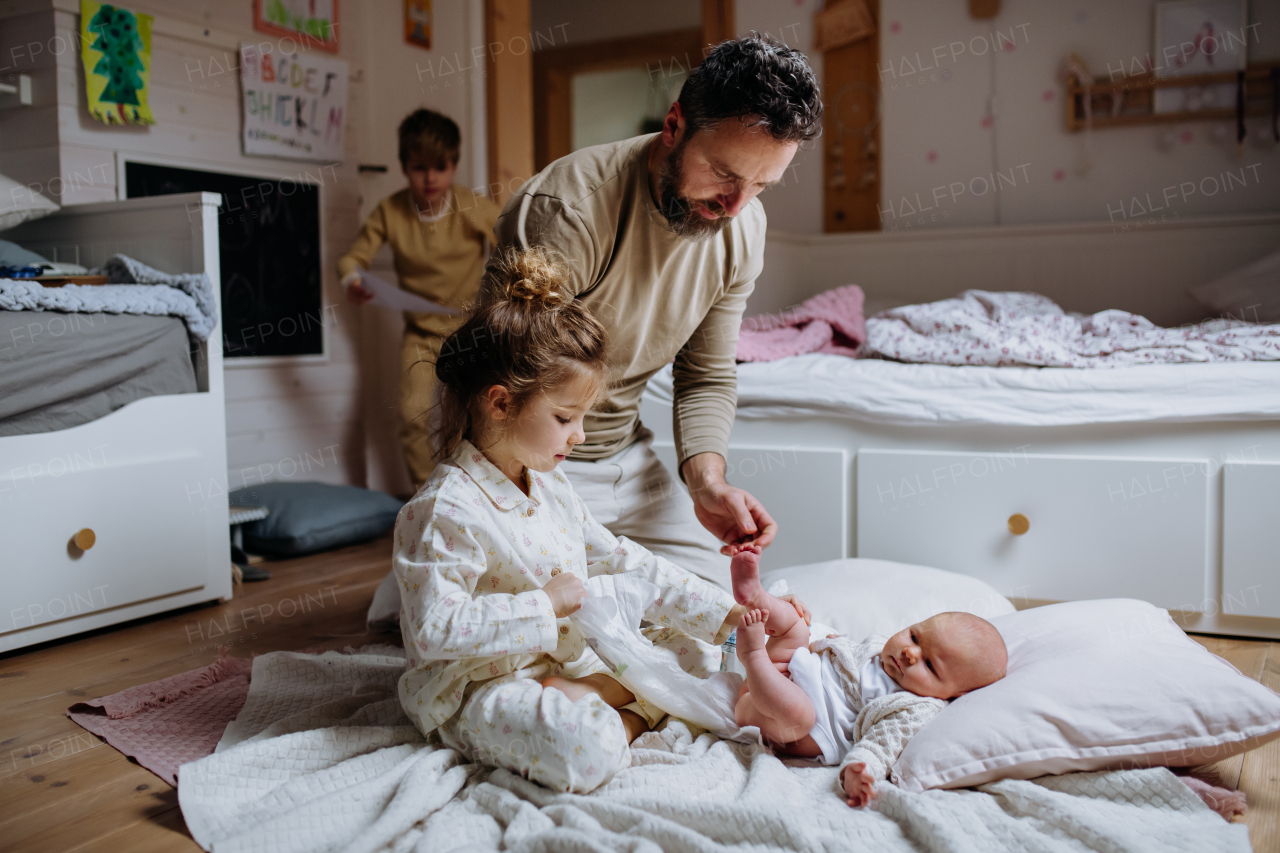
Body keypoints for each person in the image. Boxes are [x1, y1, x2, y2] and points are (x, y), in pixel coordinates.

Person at [392, 248, 809, 793]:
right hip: (479, 685)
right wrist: (545, 604)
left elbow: (623, 559)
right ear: (500, 402)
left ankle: (607, 695)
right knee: (588, 750)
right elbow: (432, 632)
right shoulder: (443, 510)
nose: (581, 436)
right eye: (565, 417)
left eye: (582, 417)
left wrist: (728, 615)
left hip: (561, 661)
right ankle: (637, 714)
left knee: (696, 652)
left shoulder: (549, 484)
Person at [480, 35, 822, 589]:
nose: (735, 207)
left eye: (761, 185)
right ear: (673, 126)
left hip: (627, 459)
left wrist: (707, 482)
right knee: (551, 628)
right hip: (530, 459)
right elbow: (509, 385)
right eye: (725, 175)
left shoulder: (743, 227)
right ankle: (435, 549)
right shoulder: (569, 212)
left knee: (716, 614)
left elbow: (706, 374)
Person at [728, 544, 1009, 808]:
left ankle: (752, 656)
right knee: (797, 624)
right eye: (914, 636)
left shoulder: (916, 708)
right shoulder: (882, 648)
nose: (910, 653)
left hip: (777, 718)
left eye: (930, 665)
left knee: (800, 714)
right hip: (784, 670)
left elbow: (883, 743)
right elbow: (843, 650)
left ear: (954, 693)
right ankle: (756, 596)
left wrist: (860, 769)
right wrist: (821, 642)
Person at [338, 108, 501, 489]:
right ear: (403, 166)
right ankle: (428, 497)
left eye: (440, 167)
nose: (430, 178)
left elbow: (513, 235)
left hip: (471, 332)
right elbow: (352, 258)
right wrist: (351, 280)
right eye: (419, 168)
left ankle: (477, 495)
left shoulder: (470, 207)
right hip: (421, 335)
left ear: (454, 166)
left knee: (478, 418)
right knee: (412, 417)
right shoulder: (390, 212)